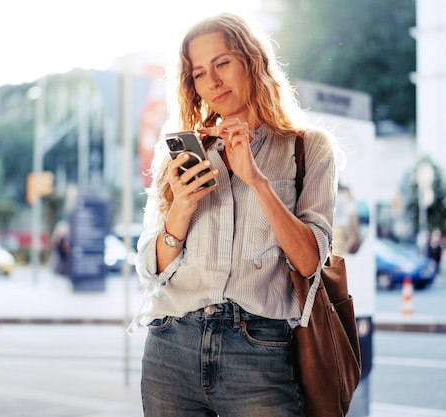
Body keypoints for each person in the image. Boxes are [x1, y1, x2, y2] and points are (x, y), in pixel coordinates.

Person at [128, 13, 342, 417]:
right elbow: (150, 268)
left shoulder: (308, 147)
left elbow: (311, 262)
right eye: (198, 73)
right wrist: (183, 205)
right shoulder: (180, 154)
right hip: (171, 345)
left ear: (252, 61)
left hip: (259, 349)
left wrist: (256, 180)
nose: (212, 81)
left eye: (223, 62)